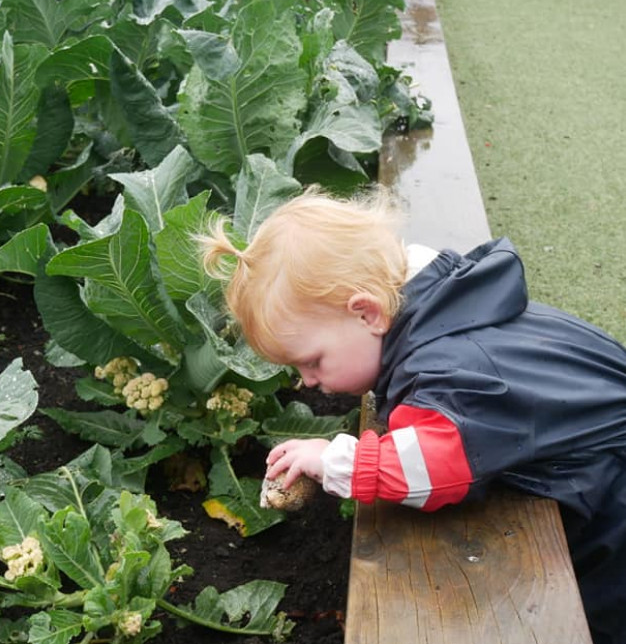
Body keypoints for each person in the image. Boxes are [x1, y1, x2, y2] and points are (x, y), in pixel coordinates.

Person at [198, 187, 626, 644]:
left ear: (366, 314)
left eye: (313, 361)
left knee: (604, 616)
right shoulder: (444, 310)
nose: (307, 381)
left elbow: (430, 468)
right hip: (596, 453)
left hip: (611, 501)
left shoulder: (449, 373)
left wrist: (333, 461)